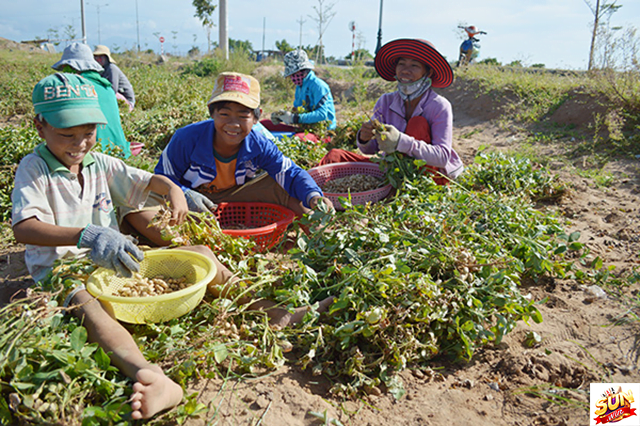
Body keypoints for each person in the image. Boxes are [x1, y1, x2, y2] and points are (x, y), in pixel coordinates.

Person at [11, 73, 329, 420]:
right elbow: (24, 228)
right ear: (39, 127)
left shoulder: (100, 163)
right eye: (67, 134)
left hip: (114, 260)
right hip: (65, 269)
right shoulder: (35, 168)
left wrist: (176, 191)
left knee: (203, 255)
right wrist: (86, 235)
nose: (80, 143)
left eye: (88, 133)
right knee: (87, 307)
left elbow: (149, 180)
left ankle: (275, 312)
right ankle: (149, 374)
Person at [152, 71, 334, 218]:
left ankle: (318, 234)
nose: (233, 124)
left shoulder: (259, 144)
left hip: (235, 197)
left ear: (256, 117)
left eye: (243, 115)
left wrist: (314, 197)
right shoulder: (186, 138)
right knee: (153, 203)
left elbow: (290, 173)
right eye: (224, 114)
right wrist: (184, 194)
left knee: (282, 184)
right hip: (193, 202)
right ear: (212, 113)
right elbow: (162, 177)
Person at [320, 39, 464, 185]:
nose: (405, 70)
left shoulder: (439, 105)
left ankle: (397, 188)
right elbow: (371, 149)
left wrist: (400, 142)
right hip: (389, 169)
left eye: (414, 65)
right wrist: (365, 138)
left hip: (424, 176)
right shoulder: (386, 101)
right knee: (335, 156)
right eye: (401, 64)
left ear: (428, 72)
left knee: (417, 124)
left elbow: (442, 157)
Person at [52, 42, 132, 158]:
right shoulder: (106, 86)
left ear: (72, 68)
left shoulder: (76, 88)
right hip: (119, 149)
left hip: (96, 151)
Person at [262, 49, 336, 143]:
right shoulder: (300, 87)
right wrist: (282, 117)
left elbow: (322, 115)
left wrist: (295, 118)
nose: (293, 77)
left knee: (298, 139)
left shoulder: (318, 86)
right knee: (264, 124)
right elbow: (298, 110)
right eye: (291, 75)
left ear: (304, 70)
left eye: (295, 73)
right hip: (305, 128)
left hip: (323, 133)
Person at [93, 44, 136, 111]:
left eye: (101, 57)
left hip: (126, 101)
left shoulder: (111, 68)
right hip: (114, 99)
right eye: (96, 57)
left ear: (106, 58)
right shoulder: (100, 69)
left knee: (109, 92)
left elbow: (113, 89)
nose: (98, 59)